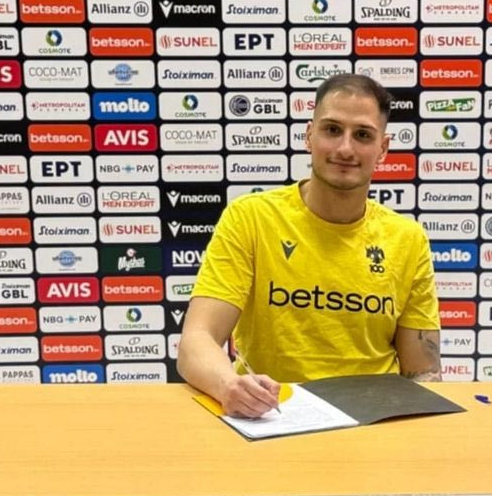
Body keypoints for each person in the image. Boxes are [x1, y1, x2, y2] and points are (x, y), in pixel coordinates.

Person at [178, 74, 442, 417]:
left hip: (375, 422)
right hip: (272, 418)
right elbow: (197, 339)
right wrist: (228, 385)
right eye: (332, 129)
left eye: (363, 135)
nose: (345, 149)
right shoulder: (250, 218)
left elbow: (423, 373)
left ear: (383, 149)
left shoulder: (407, 238)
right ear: (309, 135)